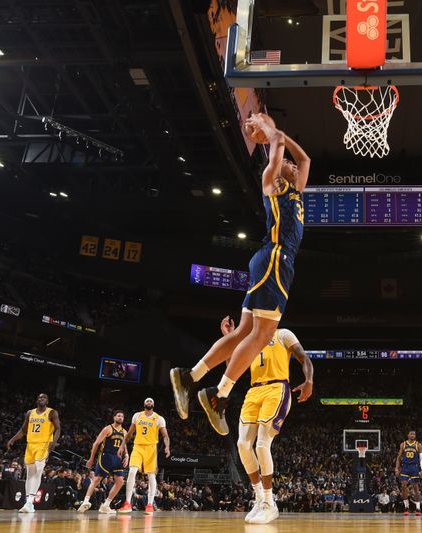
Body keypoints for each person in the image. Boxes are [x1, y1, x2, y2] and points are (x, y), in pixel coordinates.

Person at [169, 113, 311, 436]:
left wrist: (281, 136)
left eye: (288, 161)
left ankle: (189, 377)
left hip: (271, 261)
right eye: (284, 161)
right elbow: (277, 145)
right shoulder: (272, 180)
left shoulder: (296, 192)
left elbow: (306, 159)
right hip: (275, 258)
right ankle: (217, 396)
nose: (290, 162)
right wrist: (268, 129)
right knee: (261, 336)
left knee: (244, 331)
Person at [219, 315, 313, 524]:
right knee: (243, 445)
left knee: (262, 444)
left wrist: (309, 380)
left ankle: (270, 503)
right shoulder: (251, 341)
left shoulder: (283, 334)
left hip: (277, 388)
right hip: (254, 392)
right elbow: (233, 367)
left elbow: (304, 358)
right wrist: (229, 337)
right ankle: (260, 498)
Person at [6, 393, 61, 513]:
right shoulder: (30, 413)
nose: (42, 399)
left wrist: (53, 442)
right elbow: (23, 430)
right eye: (40, 397)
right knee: (29, 473)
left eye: (44, 397)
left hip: (43, 445)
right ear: (37, 400)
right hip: (30, 444)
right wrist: (13, 439)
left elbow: (58, 429)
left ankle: (30, 501)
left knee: (38, 471)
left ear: (47, 401)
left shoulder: (52, 413)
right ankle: (27, 502)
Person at [117, 398, 170, 515]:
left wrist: (167, 447)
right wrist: (122, 446)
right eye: (147, 401)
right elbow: (130, 434)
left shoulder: (159, 418)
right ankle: (127, 503)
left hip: (151, 448)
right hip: (138, 446)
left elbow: (165, 436)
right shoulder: (137, 416)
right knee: (131, 472)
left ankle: (150, 505)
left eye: (151, 401)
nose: (149, 403)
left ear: (153, 404)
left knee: (151, 476)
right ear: (144, 404)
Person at [78, 410, 128, 514]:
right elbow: (96, 443)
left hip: (117, 457)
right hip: (106, 455)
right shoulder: (107, 429)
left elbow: (124, 445)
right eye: (118, 416)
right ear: (114, 417)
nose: (120, 418)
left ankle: (106, 505)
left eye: (122, 416)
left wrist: (127, 455)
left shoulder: (124, 432)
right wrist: (91, 459)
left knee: (120, 481)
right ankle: (85, 501)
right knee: (97, 479)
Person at [394, 430, 422, 516]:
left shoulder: (418, 445)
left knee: (415, 487)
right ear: (408, 435)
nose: (412, 435)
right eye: (411, 434)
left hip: (414, 467)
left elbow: (421, 458)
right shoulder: (403, 444)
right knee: (403, 486)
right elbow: (399, 457)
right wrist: (396, 468)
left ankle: (418, 508)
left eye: (414, 434)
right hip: (405, 467)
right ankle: (406, 507)